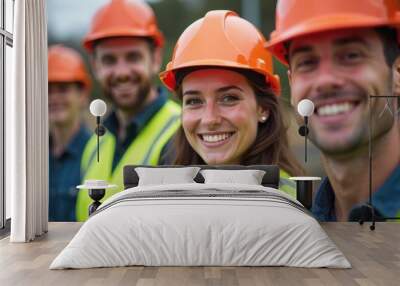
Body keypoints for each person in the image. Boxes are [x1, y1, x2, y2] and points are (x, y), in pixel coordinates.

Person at [267, 0, 400, 221]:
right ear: (292, 83)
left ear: (397, 72)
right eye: (307, 62)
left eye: (351, 56)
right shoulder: (301, 231)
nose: (326, 81)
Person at [160, 10, 304, 196]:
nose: (209, 119)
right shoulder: (166, 195)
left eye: (228, 98)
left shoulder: (289, 202)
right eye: (194, 101)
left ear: (263, 108)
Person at [76, 0, 181, 221]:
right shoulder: (94, 146)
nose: (122, 72)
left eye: (133, 57)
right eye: (109, 60)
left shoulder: (181, 133)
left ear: (154, 59)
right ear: (95, 67)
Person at [48, 45, 92, 221]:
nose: (54, 98)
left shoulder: (97, 153)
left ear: (82, 95)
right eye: (48, 90)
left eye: (63, 89)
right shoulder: (28, 157)